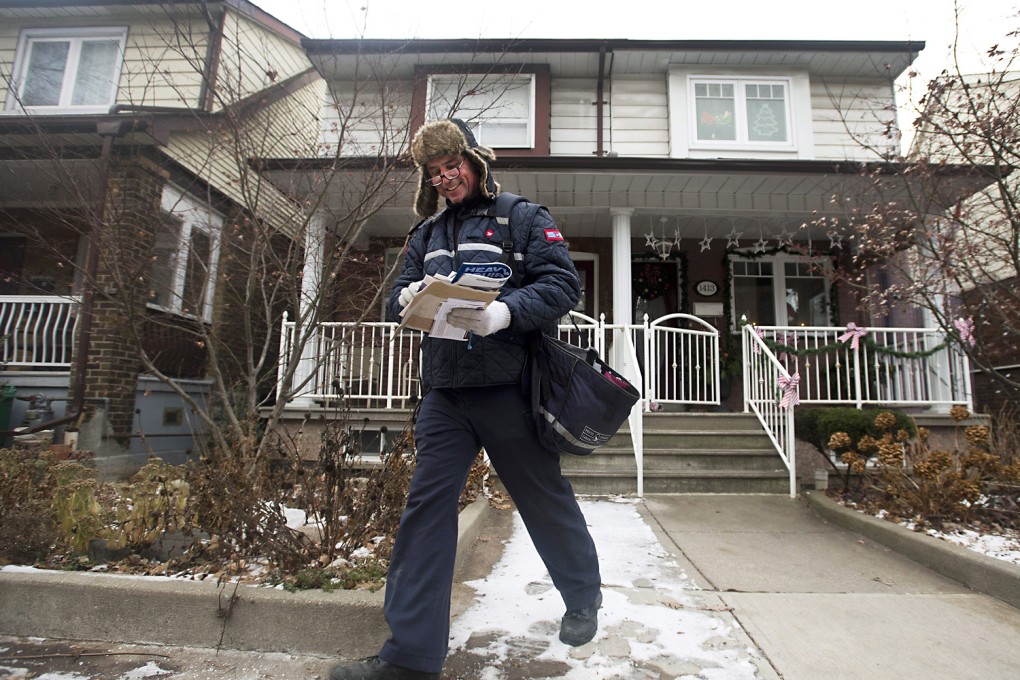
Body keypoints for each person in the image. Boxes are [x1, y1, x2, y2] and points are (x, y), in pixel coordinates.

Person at [329, 118, 602, 680]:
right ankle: (410, 658)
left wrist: (505, 311)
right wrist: (405, 299)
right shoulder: (425, 235)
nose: (445, 178)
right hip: (445, 394)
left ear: (476, 162)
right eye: (434, 172)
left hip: (508, 388)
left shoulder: (523, 217)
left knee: (542, 496)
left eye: (452, 166)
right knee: (426, 511)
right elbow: (394, 303)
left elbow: (562, 285)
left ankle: (582, 597)